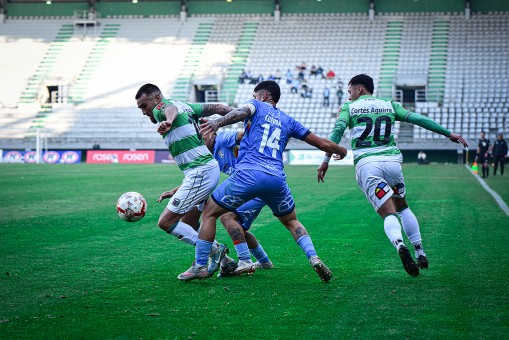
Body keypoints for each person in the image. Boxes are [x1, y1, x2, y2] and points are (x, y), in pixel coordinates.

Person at [178, 80, 348, 282]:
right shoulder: (288, 120)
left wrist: (217, 122)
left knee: (209, 213)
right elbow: (320, 142)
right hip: (277, 179)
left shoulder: (256, 105)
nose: (252, 98)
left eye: (254, 94)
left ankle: (200, 265)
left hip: (248, 174)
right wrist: (342, 151)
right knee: (291, 220)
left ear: (264, 96)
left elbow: (242, 112)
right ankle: (314, 258)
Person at [317, 74, 468, 277]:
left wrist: (326, 160)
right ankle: (420, 252)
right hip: (392, 164)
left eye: (350, 90)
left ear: (359, 89)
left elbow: (337, 132)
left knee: (389, 213)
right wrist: (448, 133)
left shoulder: (348, 108)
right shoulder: (389, 104)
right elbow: (418, 119)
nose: (349, 95)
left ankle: (400, 246)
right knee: (403, 207)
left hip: (368, 165)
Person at [135, 83, 233, 275]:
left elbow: (168, 110)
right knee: (188, 224)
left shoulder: (162, 109)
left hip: (201, 172)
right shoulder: (186, 106)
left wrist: (169, 121)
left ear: (156, 99)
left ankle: (212, 254)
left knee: (166, 222)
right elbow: (217, 108)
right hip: (201, 172)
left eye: (144, 106)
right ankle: (226, 263)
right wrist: (241, 115)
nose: (144, 112)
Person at [158, 129, 274, 277]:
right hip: (244, 186)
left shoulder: (223, 138)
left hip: (255, 184)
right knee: (237, 228)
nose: (199, 140)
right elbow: (198, 177)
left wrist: (268, 137)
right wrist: (174, 191)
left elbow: (244, 133)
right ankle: (260, 261)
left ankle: (244, 261)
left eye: (202, 136)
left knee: (227, 217)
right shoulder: (208, 156)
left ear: (212, 133)